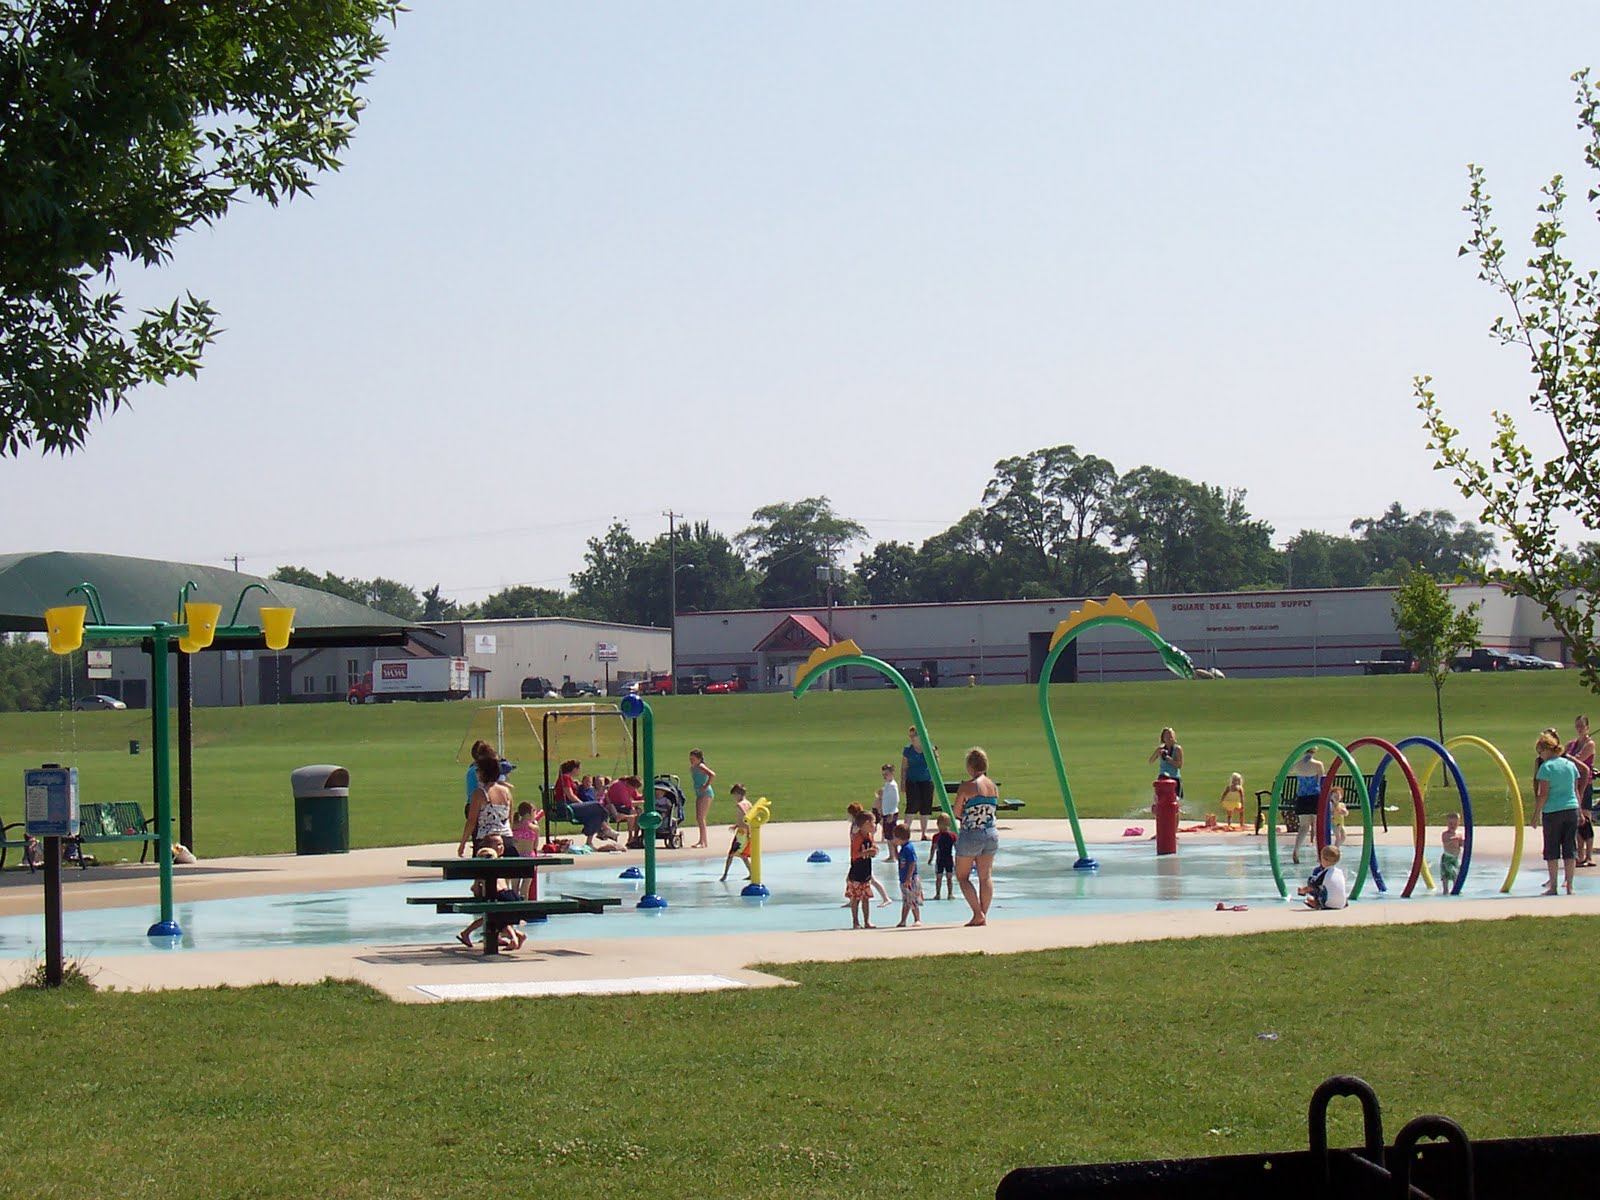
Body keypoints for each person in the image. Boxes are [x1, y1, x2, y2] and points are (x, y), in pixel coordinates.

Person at [953, 746, 1000, 927]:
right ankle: (983, 914)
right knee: (985, 876)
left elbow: (957, 811)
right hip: (991, 833)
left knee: (962, 876)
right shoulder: (993, 786)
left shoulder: (967, 786)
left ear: (970, 766)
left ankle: (977, 913)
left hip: (971, 833)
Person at [1534, 730, 1582, 896]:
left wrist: (1535, 815)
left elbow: (1543, 794)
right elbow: (1575, 790)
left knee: (1552, 850)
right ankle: (1570, 886)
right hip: (1571, 810)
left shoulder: (1546, 768)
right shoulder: (1570, 765)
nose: (1540, 756)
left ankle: (1553, 886)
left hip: (1553, 812)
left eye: (1540, 752)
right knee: (1570, 849)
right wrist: (1580, 812)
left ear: (1546, 750)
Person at [459, 755, 516, 858]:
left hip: (486, 841)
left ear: (484, 773)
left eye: (478, 771)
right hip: (506, 839)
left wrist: (463, 843)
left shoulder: (479, 794)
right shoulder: (506, 792)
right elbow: (510, 819)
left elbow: (471, 821)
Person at [555, 758, 618, 849]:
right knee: (597, 805)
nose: (580, 771)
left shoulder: (569, 779)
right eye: (579, 769)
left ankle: (589, 842)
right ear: (574, 769)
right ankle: (606, 829)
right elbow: (570, 796)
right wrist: (582, 804)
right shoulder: (565, 778)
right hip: (566, 807)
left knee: (596, 814)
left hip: (572, 806)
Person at [1286, 748, 1326, 865]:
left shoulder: (1297, 765)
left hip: (1302, 797)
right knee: (1317, 826)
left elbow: (1289, 769)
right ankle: (1319, 854)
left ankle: (1296, 850)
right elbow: (1321, 781)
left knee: (1303, 827)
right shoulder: (1318, 764)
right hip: (1315, 797)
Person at [1568, 715, 1596, 867]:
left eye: (1582, 726)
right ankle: (1580, 854)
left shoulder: (1589, 744)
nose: (1579, 729)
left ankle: (1589, 855)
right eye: (1577, 726)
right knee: (1577, 821)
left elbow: (1578, 760)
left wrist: (1567, 757)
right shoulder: (1572, 744)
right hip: (1574, 783)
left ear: (1587, 727)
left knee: (1585, 819)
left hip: (1585, 784)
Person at [901, 726, 937, 840]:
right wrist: (902, 782)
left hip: (926, 780)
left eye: (914, 735)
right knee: (912, 805)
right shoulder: (908, 750)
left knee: (926, 807)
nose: (912, 738)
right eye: (910, 736)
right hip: (912, 781)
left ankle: (924, 833)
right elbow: (904, 767)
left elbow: (936, 764)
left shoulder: (929, 748)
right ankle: (905, 832)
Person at [845, 805, 877, 929]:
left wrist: (874, 851)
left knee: (865, 898)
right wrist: (865, 852)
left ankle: (867, 921)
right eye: (873, 823)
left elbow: (872, 848)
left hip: (866, 870)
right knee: (855, 898)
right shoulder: (857, 838)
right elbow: (854, 854)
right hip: (856, 872)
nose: (875, 825)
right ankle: (855, 921)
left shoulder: (869, 836)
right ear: (867, 824)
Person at [1298, 844, 1348, 910]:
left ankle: (1317, 903)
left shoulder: (1325, 873)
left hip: (1329, 904)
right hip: (1342, 904)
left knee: (1312, 881)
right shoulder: (1340, 872)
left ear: (1325, 860)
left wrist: (1303, 890)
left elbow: (1313, 884)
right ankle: (1339, 902)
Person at [893, 824, 922, 927]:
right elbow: (899, 859)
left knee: (912, 900)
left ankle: (917, 919)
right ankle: (903, 920)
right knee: (906, 901)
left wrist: (909, 877)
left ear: (900, 838)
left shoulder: (908, 848)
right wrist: (895, 849)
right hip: (903, 879)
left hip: (910, 879)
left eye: (895, 838)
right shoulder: (903, 848)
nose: (894, 840)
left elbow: (912, 863)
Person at [721, 787, 753, 882]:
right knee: (743, 855)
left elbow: (746, 817)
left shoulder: (740, 805)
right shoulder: (749, 803)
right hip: (743, 831)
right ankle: (752, 873)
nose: (734, 798)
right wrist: (737, 825)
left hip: (742, 833)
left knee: (731, 854)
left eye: (735, 795)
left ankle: (725, 875)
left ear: (738, 794)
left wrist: (748, 831)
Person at [689, 748, 716, 849]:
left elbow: (712, 774)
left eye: (693, 758)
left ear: (699, 759)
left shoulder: (701, 766)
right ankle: (701, 840)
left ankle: (703, 842)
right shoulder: (693, 767)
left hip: (706, 793)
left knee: (701, 817)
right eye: (690, 758)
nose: (691, 760)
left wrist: (705, 785)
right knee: (698, 818)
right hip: (699, 793)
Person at [1148, 727, 1183, 798]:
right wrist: (1157, 753)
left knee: (1175, 799)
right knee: (1160, 798)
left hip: (1174, 777)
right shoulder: (1161, 749)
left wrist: (1169, 759)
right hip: (1162, 778)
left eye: (1171, 735)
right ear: (1163, 738)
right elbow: (1151, 761)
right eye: (1167, 736)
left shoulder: (1177, 749)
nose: (1169, 738)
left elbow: (1179, 765)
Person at [930, 814, 957, 899]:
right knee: (943, 878)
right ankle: (941, 893)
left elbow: (933, 848)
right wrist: (931, 858)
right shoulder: (951, 835)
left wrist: (931, 858)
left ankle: (947, 893)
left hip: (943, 859)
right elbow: (957, 848)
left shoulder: (939, 836)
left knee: (946, 877)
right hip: (945, 859)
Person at [875, 763, 900, 846]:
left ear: (892, 773)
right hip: (886, 812)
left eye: (886, 774)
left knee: (891, 836)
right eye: (883, 774)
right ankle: (891, 851)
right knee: (888, 836)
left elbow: (896, 800)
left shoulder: (892, 785)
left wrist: (891, 813)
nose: (884, 776)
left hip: (891, 813)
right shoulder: (887, 784)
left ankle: (893, 852)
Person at [1440, 812, 1465, 894]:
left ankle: (1456, 889)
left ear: (1458, 823)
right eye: (1450, 824)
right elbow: (1446, 842)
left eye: (1455, 824)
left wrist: (1463, 842)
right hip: (1447, 858)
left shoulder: (1459, 834)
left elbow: (1461, 844)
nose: (1452, 826)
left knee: (1456, 874)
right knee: (1445, 877)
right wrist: (1453, 839)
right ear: (1447, 823)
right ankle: (1445, 891)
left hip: (1456, 858)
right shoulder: (1445, 834)